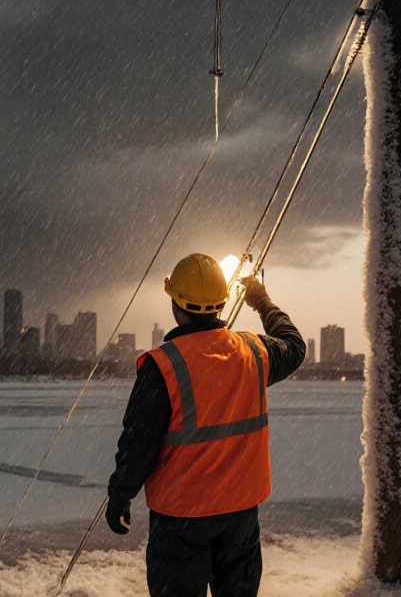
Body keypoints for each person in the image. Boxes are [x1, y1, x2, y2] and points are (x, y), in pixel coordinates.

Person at [106, 253, 305, 597]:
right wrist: (262, 301)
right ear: (221, 303)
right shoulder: (253, 352)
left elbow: (138, 444)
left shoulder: (163, 366)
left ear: (178, 307)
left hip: (181, 519)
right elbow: (295, 346)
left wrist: (120, 496)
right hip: (239, 517)